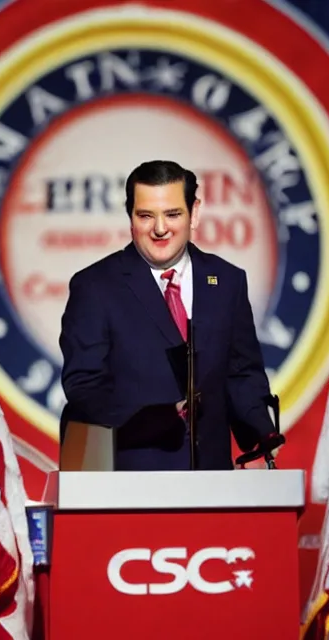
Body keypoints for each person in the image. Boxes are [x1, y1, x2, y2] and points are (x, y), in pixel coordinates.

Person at [59, 160, 278, 471]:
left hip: (212, 478)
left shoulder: (227, 281)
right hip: (130, 478)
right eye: (146, 216)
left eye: (173, 214)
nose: (160, 229)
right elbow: (84, 386)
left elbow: (242, 373)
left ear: (195, 212)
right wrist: (157, 419)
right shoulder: (95, 286)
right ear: (130, 216)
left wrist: (258, 440)